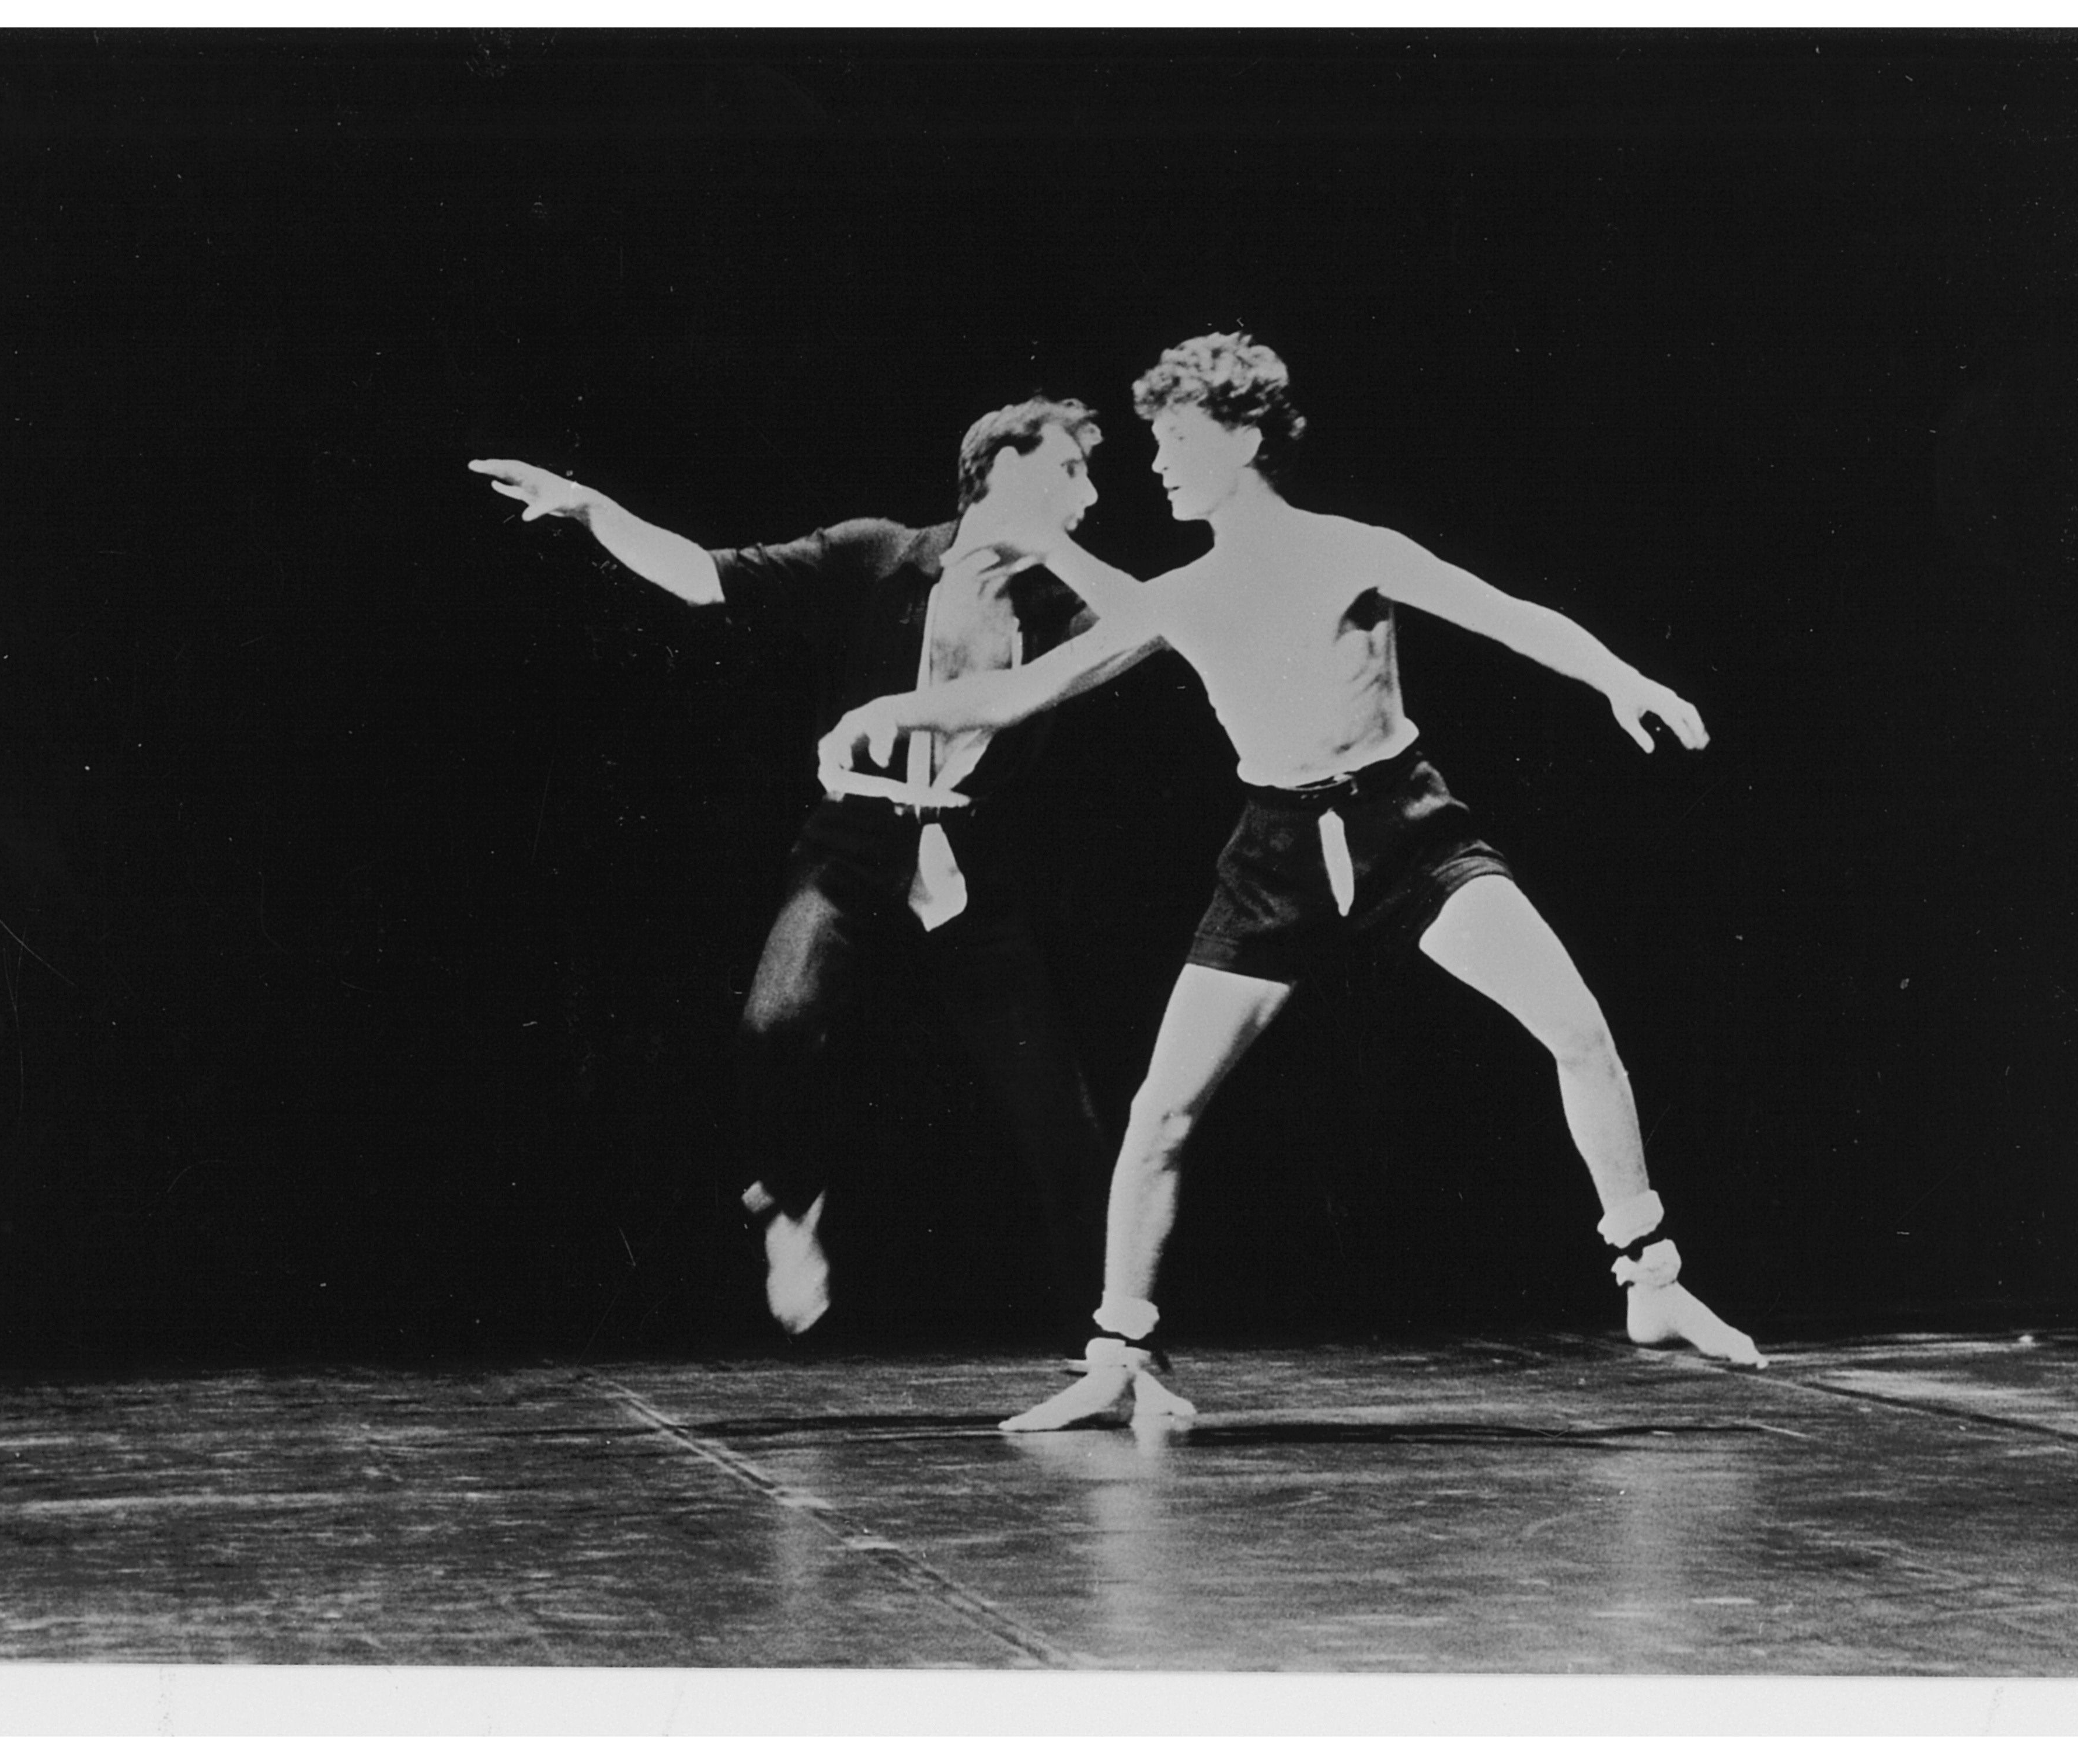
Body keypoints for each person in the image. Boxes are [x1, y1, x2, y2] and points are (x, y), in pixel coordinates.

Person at [821, 334, 1765, 1430]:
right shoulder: (1180, 594)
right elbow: (1019, 692)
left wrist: (1620, 678)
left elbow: (1508, 615)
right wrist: (886, 710)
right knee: (1161, 1109)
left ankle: (1649, 1276)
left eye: (1177, 440)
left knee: (1576, 1027)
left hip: (1404, 831)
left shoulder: (1349, 550)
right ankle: (1119, 1353)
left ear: (1244, 437)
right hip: (1274, 855)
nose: (1157, 466)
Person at [470, 400, 1126, 1338]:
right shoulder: (879, 554)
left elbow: (1155, 626)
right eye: (1069, 470)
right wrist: (592, 509)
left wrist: (1055, 548)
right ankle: (786, 1202)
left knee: (1058, 1117)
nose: (1089, 495)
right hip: (854, 843)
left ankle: (1112, 1338)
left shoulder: (1060, 602)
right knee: (777, 1022)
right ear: (1004, 467)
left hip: (969, 861)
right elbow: (703, 577)